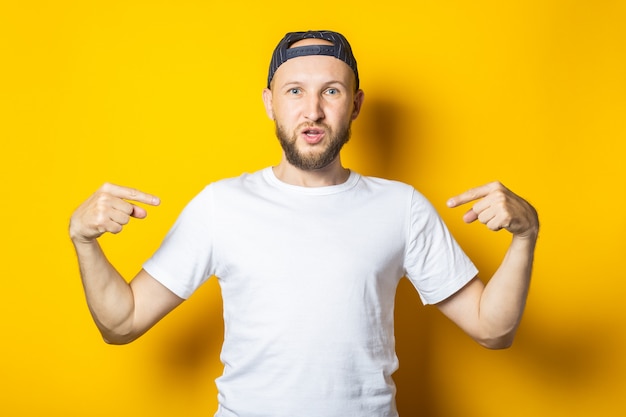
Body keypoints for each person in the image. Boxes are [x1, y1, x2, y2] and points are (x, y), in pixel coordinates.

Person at [69, 30, 539, 417]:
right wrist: (84, 240)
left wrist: (525, 236)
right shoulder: (222, 205)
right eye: (295, 91)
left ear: (355, 105)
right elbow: (122, 322)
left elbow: (491, 329)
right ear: (270, 102)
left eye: (330, 91)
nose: (312, 110)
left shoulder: (402, 207)